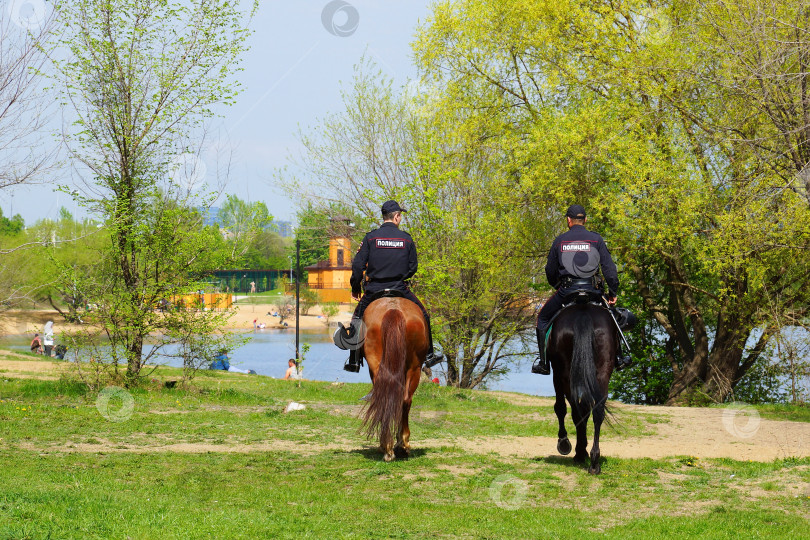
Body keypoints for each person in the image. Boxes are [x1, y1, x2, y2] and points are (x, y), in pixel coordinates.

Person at [340, 200, 443, 372]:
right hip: (399, 288)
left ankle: (353, 360)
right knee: (424, 315)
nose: (400, 218)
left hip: (374, 290)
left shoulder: (371, 237)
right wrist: (402, 276)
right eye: (400, 215)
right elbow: (413, 268)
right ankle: (430, 355)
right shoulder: (406, 239)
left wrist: (356, 287)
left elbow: (358, 266)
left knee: (356, 319)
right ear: (396, 217)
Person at [531, 204, 628, 375]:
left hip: (567, 292)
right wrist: (612, 293)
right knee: (612, 318)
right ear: (585, 220)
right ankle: (619, 358)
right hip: (594, 291)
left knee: (543, 319)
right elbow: (610, 271)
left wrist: (557, 286)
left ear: (568, 220)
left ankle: (544, 363)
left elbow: (549, 271)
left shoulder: (560, 240)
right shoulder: (596, 240)